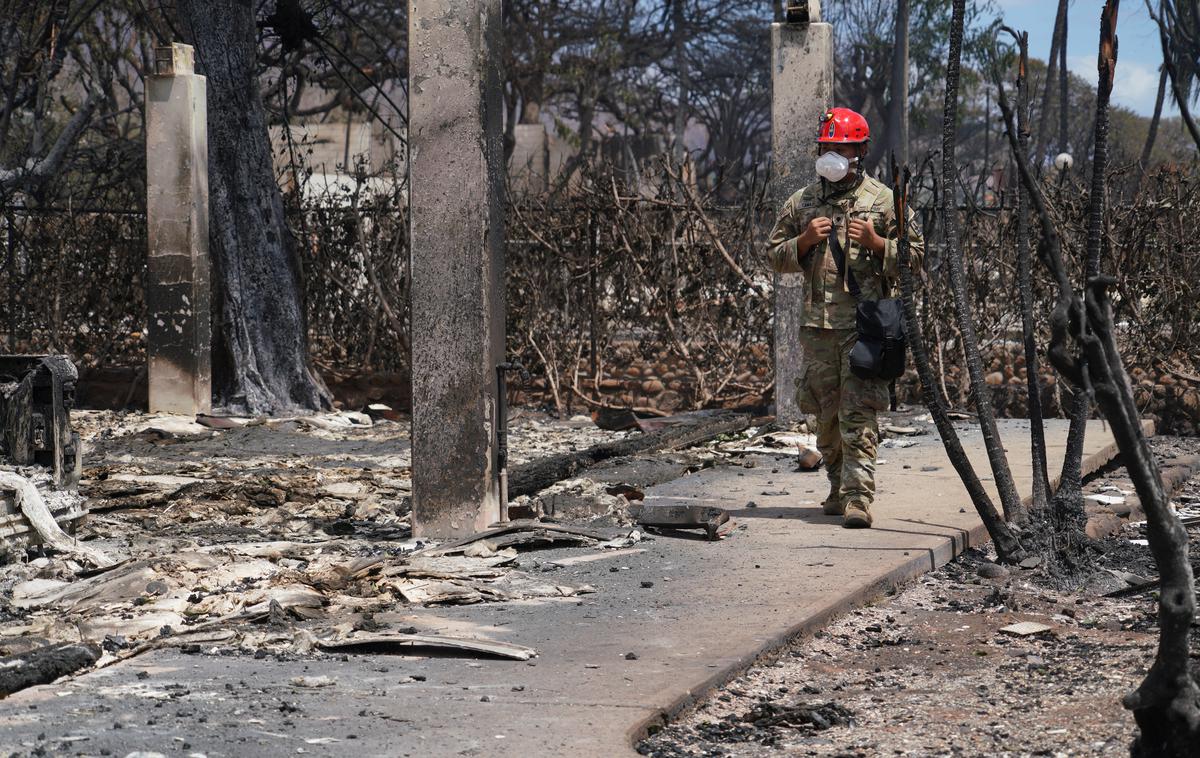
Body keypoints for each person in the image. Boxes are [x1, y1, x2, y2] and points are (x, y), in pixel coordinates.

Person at [766, 107, 924, 528]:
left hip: (865, 327)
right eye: (827, 147)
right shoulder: (802, 202)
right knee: (826, 417)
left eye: (842, 148)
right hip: (818, 329)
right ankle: (836, 489)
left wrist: (878, 243)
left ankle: (858, 498)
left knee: (858, 415)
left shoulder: (885, 201)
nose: (832, 154)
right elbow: (773, 255)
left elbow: (917, 258)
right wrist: (803, 241)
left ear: (861, 152)